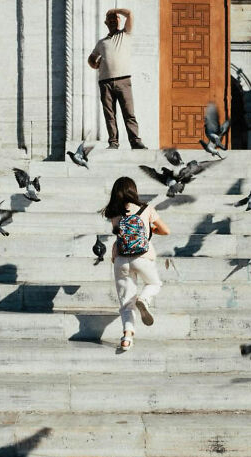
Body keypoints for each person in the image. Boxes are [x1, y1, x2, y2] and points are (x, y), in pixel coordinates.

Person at [102, 177, 170, 351]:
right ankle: (144, 299)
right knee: (154, 283)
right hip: (143, 257)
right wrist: (151, 228)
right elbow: (165, 230)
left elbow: (118, 236)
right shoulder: (147, 208)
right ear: (134, 190)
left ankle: (127, 337)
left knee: (126, 302)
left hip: (121, 259)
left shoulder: (114, 212)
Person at [88, 9, 147, 150]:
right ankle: (113, 142)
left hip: (123, 80)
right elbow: (91, 58)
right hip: (105, 82)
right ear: (106, 23)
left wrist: (115, 11)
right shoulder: (101, 42)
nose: (113, 21)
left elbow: (130, 14)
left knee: (129, 113)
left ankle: (135, 141)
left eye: (116, 19)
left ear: (120, 21)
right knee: (110, 115)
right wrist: (94, 64)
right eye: (110, 19)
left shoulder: (125, 34)